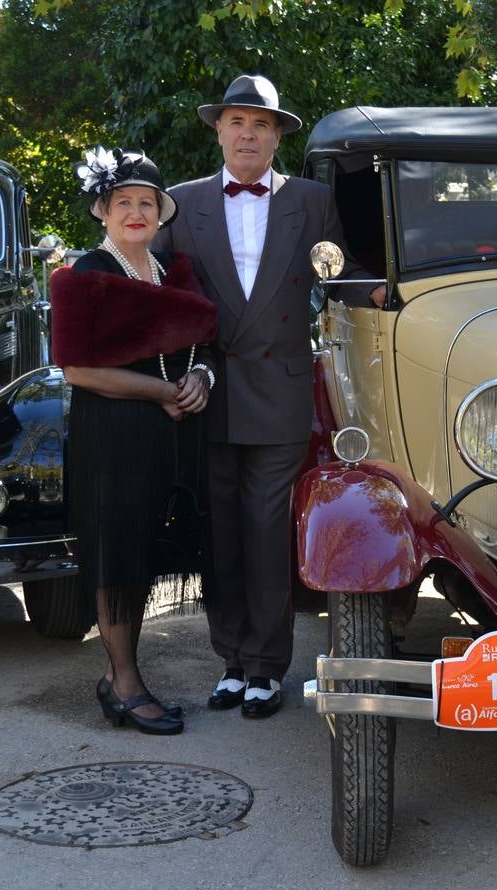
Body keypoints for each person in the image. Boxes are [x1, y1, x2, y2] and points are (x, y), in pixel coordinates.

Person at [154, 74, 384, 719]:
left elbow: (340, 271)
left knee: (264, 530)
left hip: (279, 389)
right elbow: (157, 292)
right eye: (235, 122)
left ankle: (266, 667)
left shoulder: (311, 201)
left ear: (278, 134)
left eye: (260, 123)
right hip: (206, 391)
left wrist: (382, 293)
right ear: (219, 131)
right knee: (219, 531)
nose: (247, 133)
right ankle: (230, 661)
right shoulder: (180, 203)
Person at [49, 147, 217, 735]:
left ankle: (120, 675)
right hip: (113, 436)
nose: (137, 212)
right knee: (117, 556)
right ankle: (124, 684)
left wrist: (201, 378)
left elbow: (202, 350)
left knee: (143, 554)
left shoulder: (175, 273)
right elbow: (77, 371)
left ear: (161, 212)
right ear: (104, 211)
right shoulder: (86, 274)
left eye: (147, 202)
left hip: (167, 438)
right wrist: (161, 393)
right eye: (125, 203)